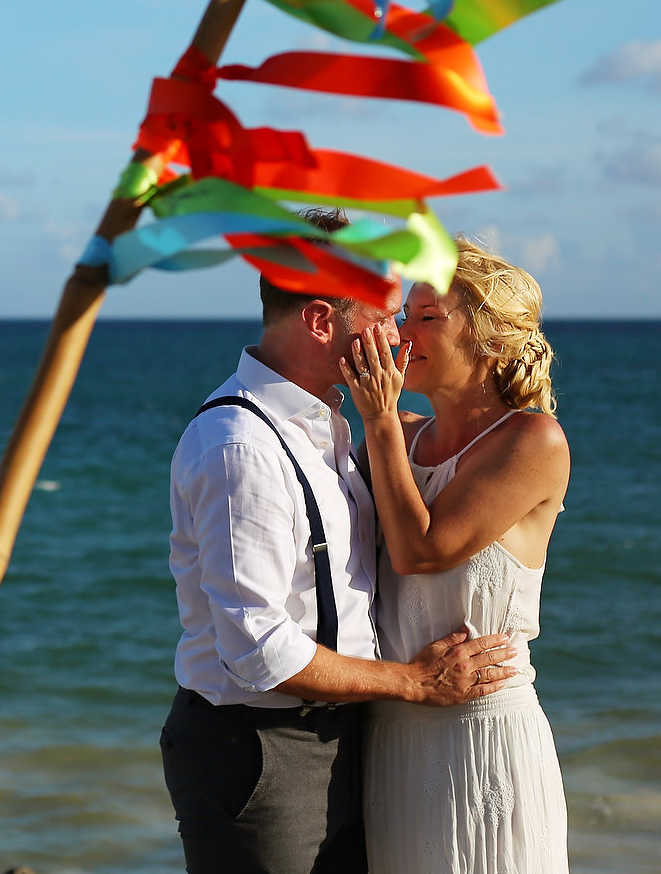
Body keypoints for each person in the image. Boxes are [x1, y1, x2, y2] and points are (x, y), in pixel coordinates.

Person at [161, 209, 521, 874]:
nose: (397, 335)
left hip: (342, 738)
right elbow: (258, 651)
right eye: (384, 314)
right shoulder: (242, 447)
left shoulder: (326, 424)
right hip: (262, 749)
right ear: (322, 321)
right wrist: (415, 683)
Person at [339, 240, 570, 873]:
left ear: (490, 341)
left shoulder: (531, 439)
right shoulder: (400, 436)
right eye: (405, 314)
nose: (401, 331)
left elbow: (422, 550)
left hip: (484, 739)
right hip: (393, 736)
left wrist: (379, 422)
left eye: (426, 318)